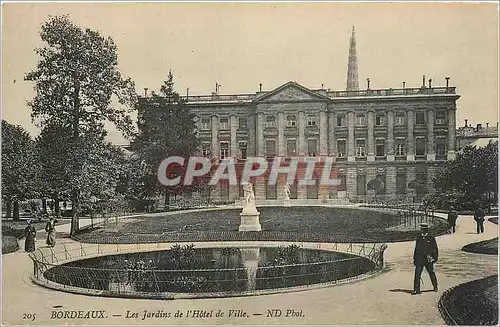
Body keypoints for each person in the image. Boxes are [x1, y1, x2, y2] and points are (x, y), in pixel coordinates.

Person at [412, 223, 438, 295]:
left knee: (431, 273)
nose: (422, 231)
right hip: (419, 259)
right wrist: (415, 259)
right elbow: (416, 249)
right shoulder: (419, 238)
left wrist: (434, 258)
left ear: (427, 230)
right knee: (417, 274)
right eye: (422, 229)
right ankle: (416, 289)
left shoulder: (431, 238)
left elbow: (435, 249)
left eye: (424, 229)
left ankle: (435, 286)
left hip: (428, 259)